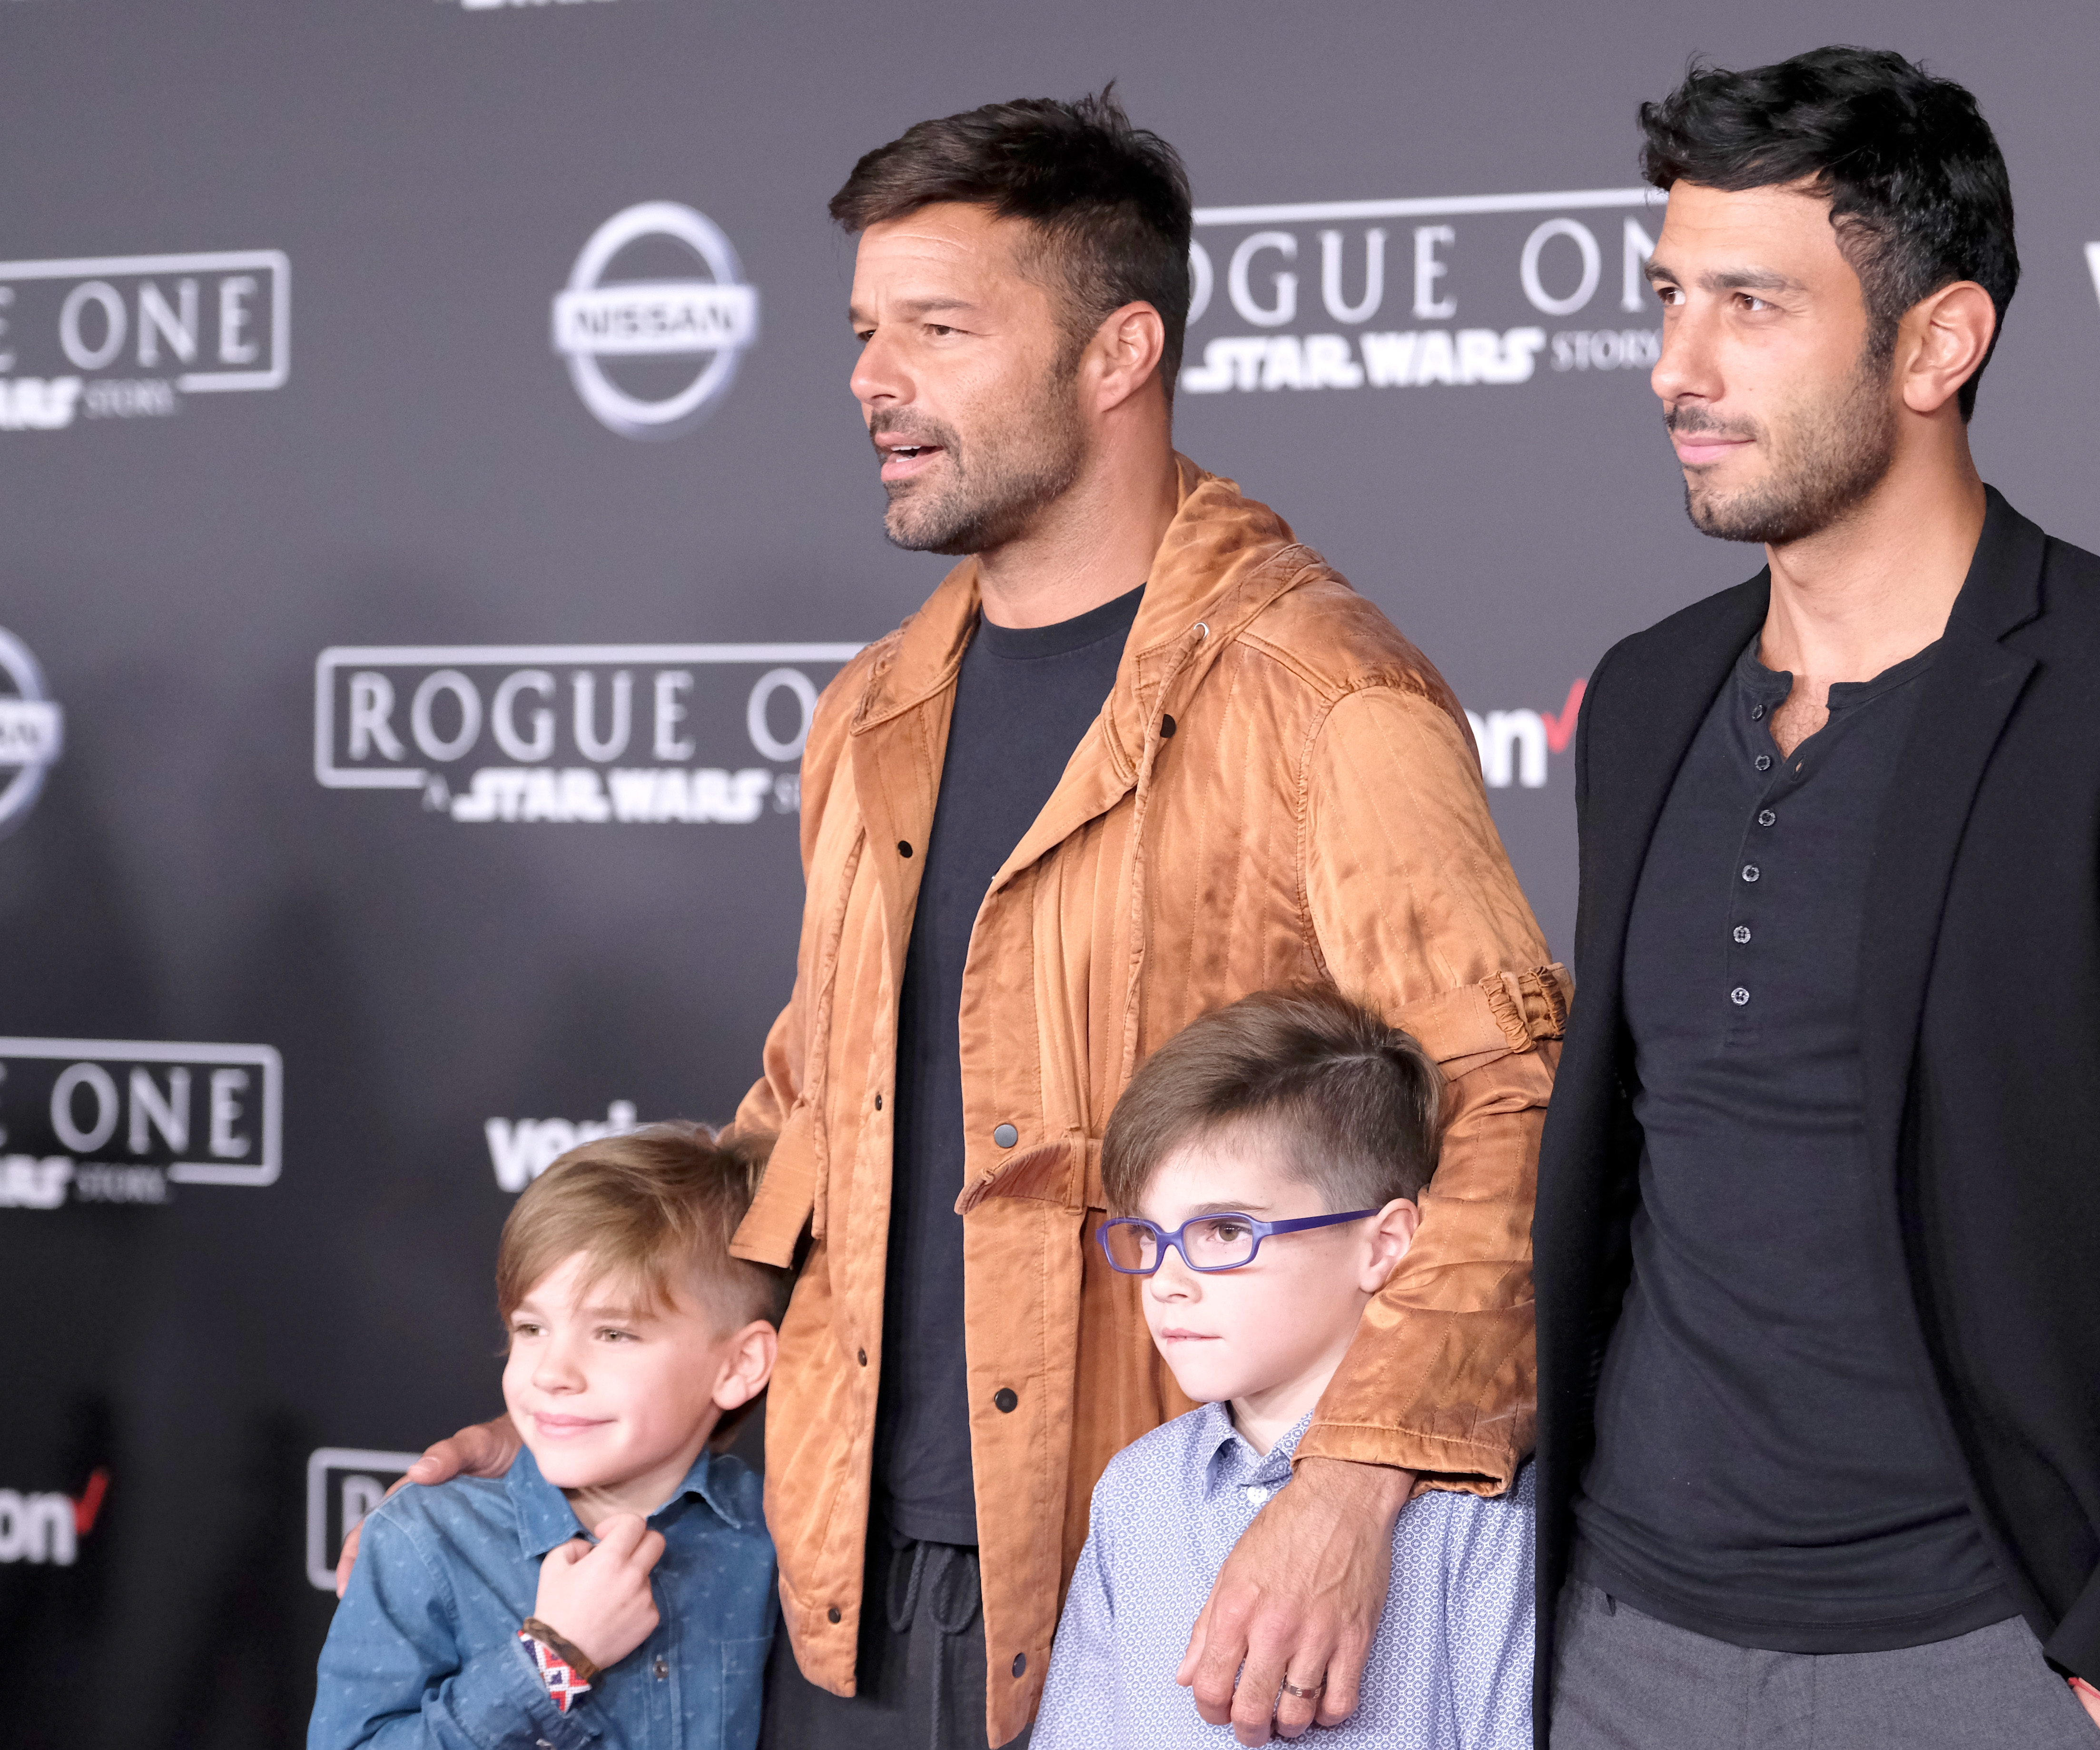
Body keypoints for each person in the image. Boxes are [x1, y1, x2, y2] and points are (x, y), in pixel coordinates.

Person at [345, 90, 1562, 1750]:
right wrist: (616, 1409)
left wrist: (1350, 1489)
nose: (872, 377)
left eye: (937, 328)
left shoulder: (1324, 695)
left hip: (1169, 1586)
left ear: (1117, 351)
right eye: (864, 330)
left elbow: (1500, 1109)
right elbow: (807, 1116)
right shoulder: (872, 708)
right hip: (832, 1575)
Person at [1534, 47, 2100, 1750]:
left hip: (1986, 1653)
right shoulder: (1642, 694)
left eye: (1752, 304)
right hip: (1624, 1643)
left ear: (1937, 342)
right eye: (1669, 295)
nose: (1676, 365)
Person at [1035, 987, 1537, 1749]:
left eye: (1224, 1229)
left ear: (1384, 1244)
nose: (1166, 1280)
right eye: (1149, 1236)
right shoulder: (1134, 1492)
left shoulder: (1482, 1516)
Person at [312, 1126, 786, 1750]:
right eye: (531, 1329)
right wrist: (554, 1659)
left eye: (613, 1333)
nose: (551, 1373)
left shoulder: (779, 1537)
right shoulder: (427, 1541)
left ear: (739, 1365)